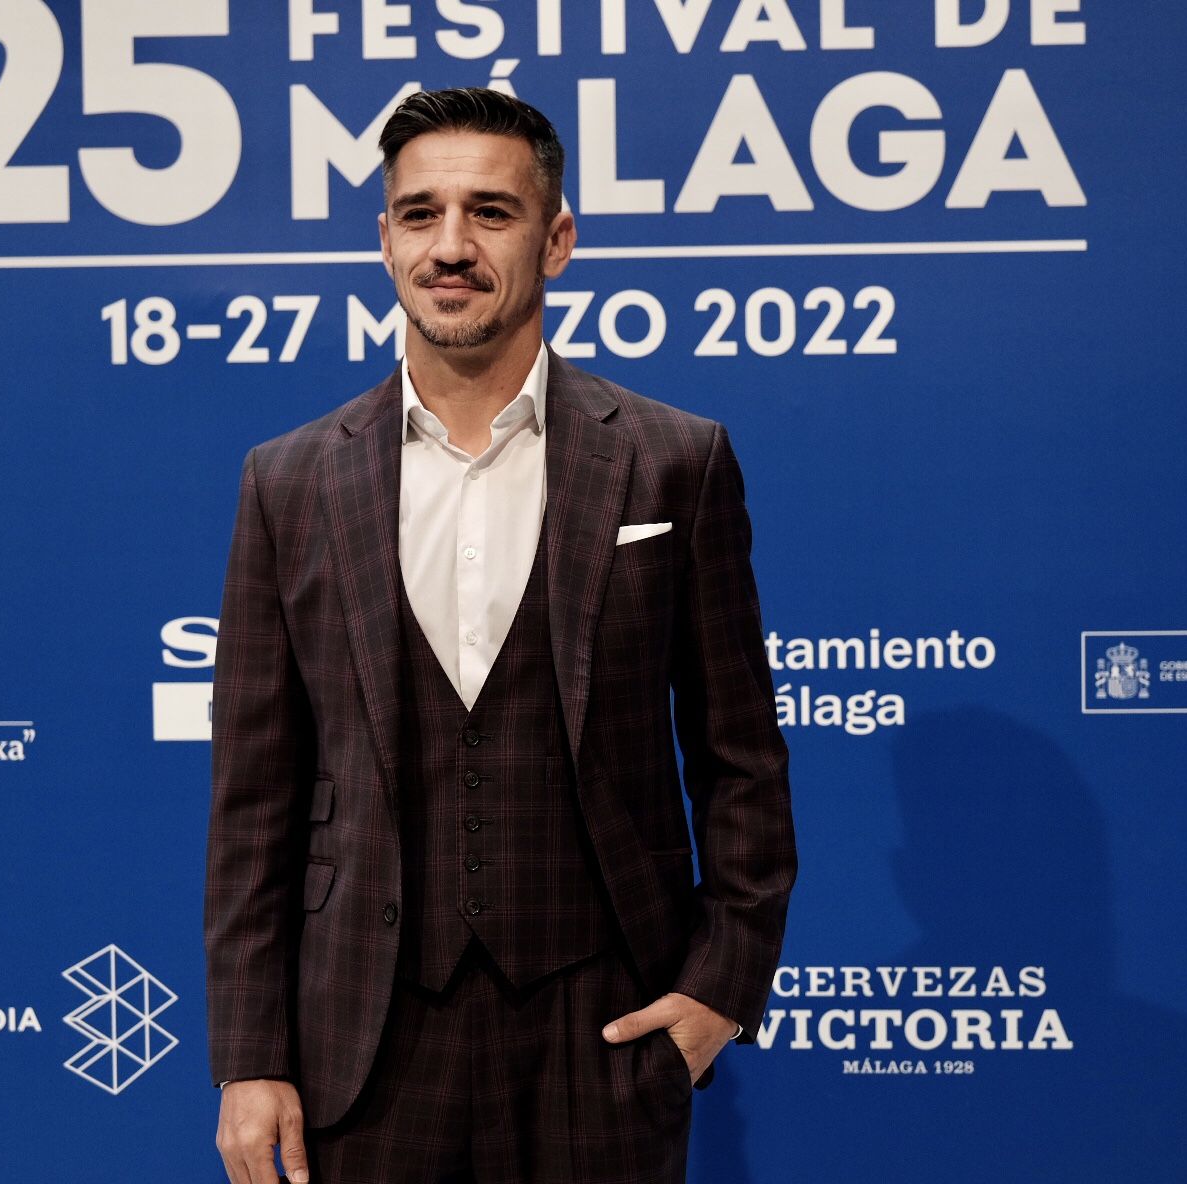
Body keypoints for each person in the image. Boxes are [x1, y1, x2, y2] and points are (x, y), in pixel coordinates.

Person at [205, 87, 796, 1184]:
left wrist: (721, 987)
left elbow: (742, 758)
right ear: (384, 242)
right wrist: (249, 1055)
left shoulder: (674, 459)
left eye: (491, 211)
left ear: (557, 239)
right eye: (420, 213)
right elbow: (253, 796)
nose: (452, 245)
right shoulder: (288, 482)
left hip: (605, 1033)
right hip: (360, 1045)